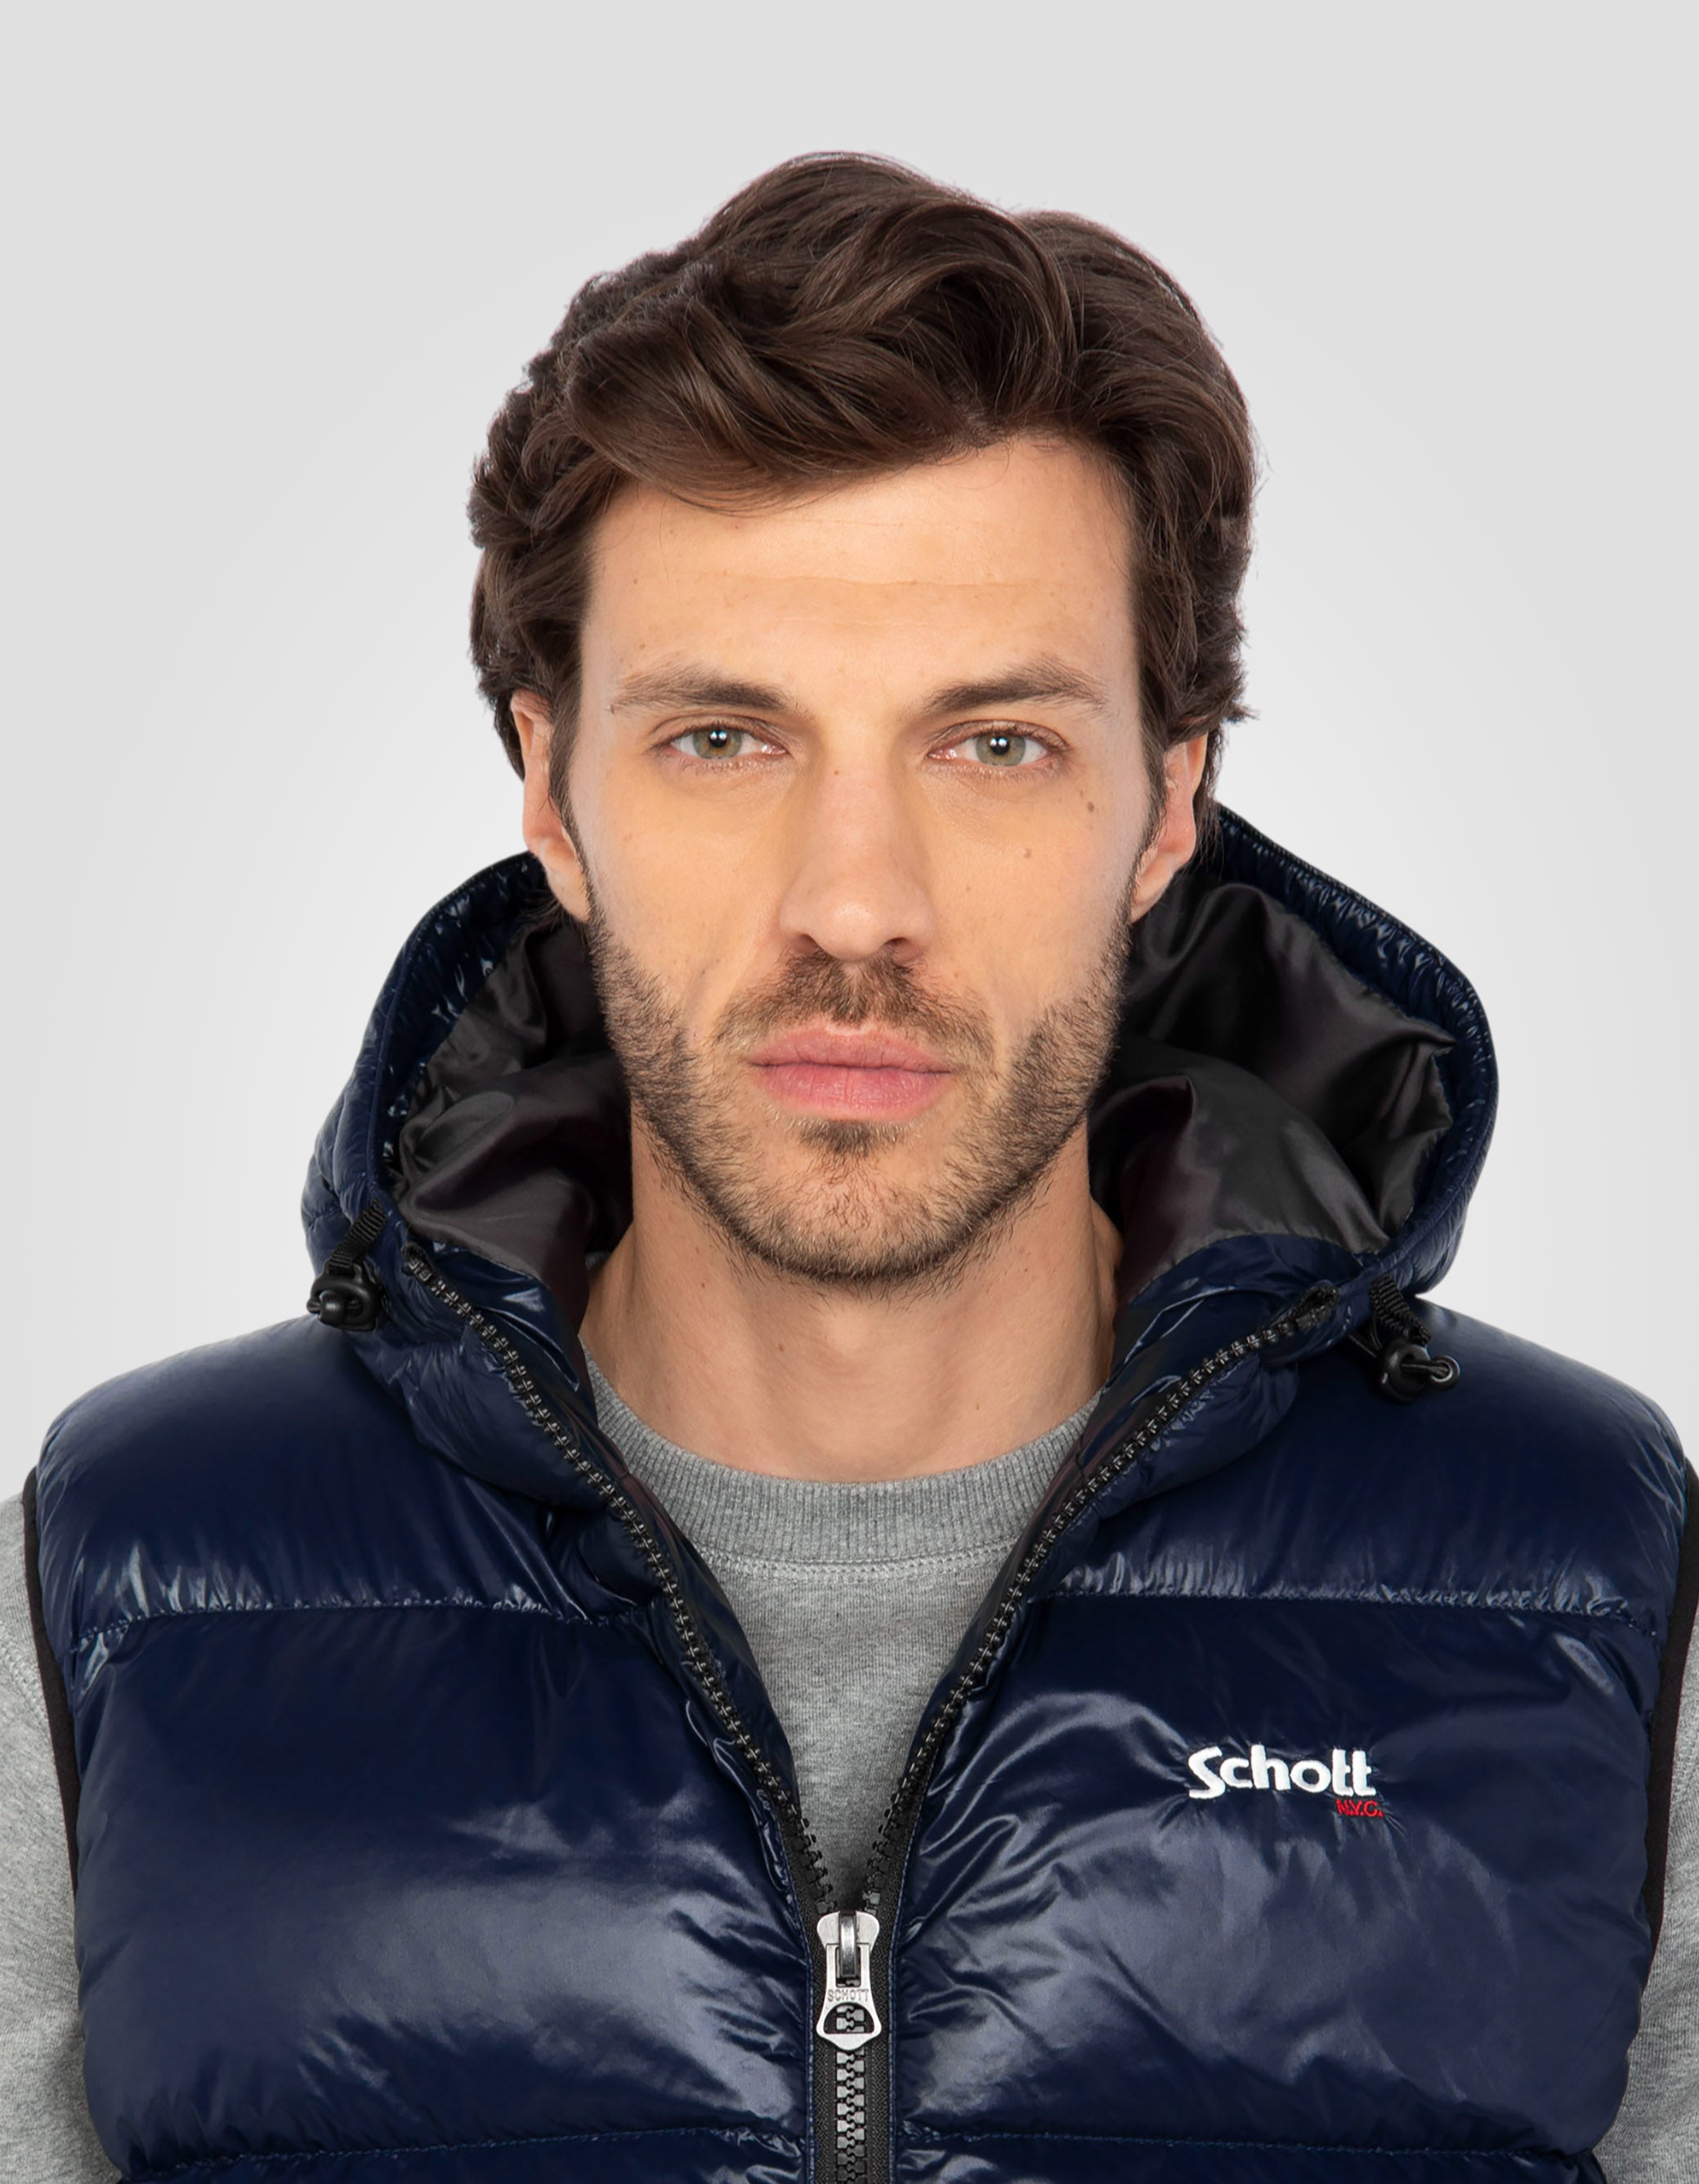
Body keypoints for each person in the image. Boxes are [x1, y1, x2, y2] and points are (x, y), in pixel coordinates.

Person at [2, 153, 1692, 2184]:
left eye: (993, 743)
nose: (853, 900)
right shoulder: (127, 1587)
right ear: (552, 792)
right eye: (724, 738)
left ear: (1166, 808)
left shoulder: (1598, 1593)